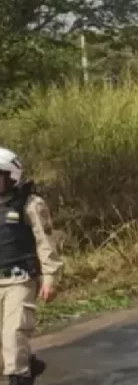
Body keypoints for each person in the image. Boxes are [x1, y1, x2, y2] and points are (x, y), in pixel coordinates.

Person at [0, 148, 63, 385]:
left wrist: (50, 278)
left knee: (14, 336)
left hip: (20, 280)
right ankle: (28, 365)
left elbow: (45, 242)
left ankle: (21, 374)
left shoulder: (30, 204)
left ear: (11, 175)